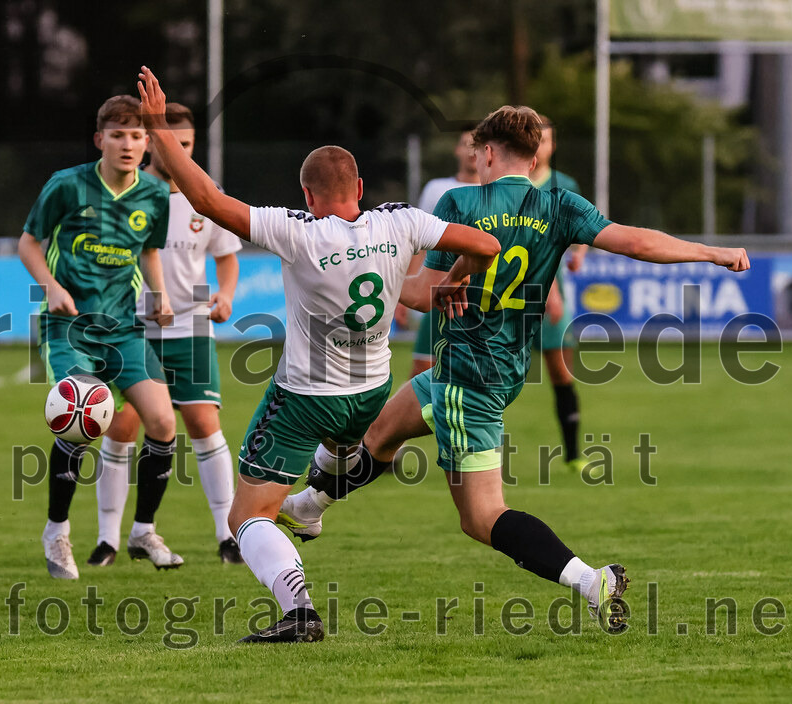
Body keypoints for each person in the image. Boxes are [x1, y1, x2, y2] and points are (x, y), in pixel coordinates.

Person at [280, 106, 749, 633]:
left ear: (486, 152)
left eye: (476, 155)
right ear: (535, 155)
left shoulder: (461, 201)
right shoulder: (559, 204)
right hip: (499, 372)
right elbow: (634, 242)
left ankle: (590, 580)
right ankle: (309, 506)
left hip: (466, 376)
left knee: (481, 518)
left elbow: (420, 295)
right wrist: (710, 251)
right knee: (381, 433)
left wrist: (364, 276)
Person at [137, 66, 501, 642]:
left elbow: (205, 197)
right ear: (359, 189)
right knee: (342, 448)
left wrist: (158, 128)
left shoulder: (296, 231)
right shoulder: (401, 222)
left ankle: (299, 611)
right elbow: (486, 245)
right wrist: (451, 282)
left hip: (305, 397)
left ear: (307, 195)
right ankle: (328, 485)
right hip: (370, 393)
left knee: (245, 518)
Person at [19, 95, 180, 579]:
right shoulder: (67, 185)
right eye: (117, 135)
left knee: (163, 423)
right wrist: (51, 288)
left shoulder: (154, 195)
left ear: (147, 143)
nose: (127, 144)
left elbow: (150, 250)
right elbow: (28, 241)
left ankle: (142, 530)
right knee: (79, 420)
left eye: (136, 136)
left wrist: (161, 295)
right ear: (100, 140)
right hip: (69, 327)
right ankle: (57, 532)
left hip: (123, 329)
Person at [88, 102, 244, 568]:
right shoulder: (126, 193)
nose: (181, 153)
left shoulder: (206, 196)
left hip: (191, 328)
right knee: (123, 427)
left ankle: (228, 535)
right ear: (154, 144)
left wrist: (227, 294)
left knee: (203, 424)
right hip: (133, 327)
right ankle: (109, 540)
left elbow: (227, 255)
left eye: (188, 145)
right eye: (172, 144)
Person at [529, 114, 589, 471]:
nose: (541, 147)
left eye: (546, 140)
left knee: (560, 372)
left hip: (554, 293)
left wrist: (579, 253)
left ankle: (573, 454)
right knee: (499, 376)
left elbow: (584, 228)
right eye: (535, 140)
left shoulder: (564, 185)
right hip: (515, 292)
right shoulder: (510, 183)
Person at [402, 124, 481, 377]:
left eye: (476, 145)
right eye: (466, 144)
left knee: (477, 374)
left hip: (480, 295)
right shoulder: (437, 189)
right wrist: (413, 283)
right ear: (457, 150)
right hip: (440, 289)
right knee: (422, 367)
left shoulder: (496, 191)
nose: (471, 151)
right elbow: (420, 243)